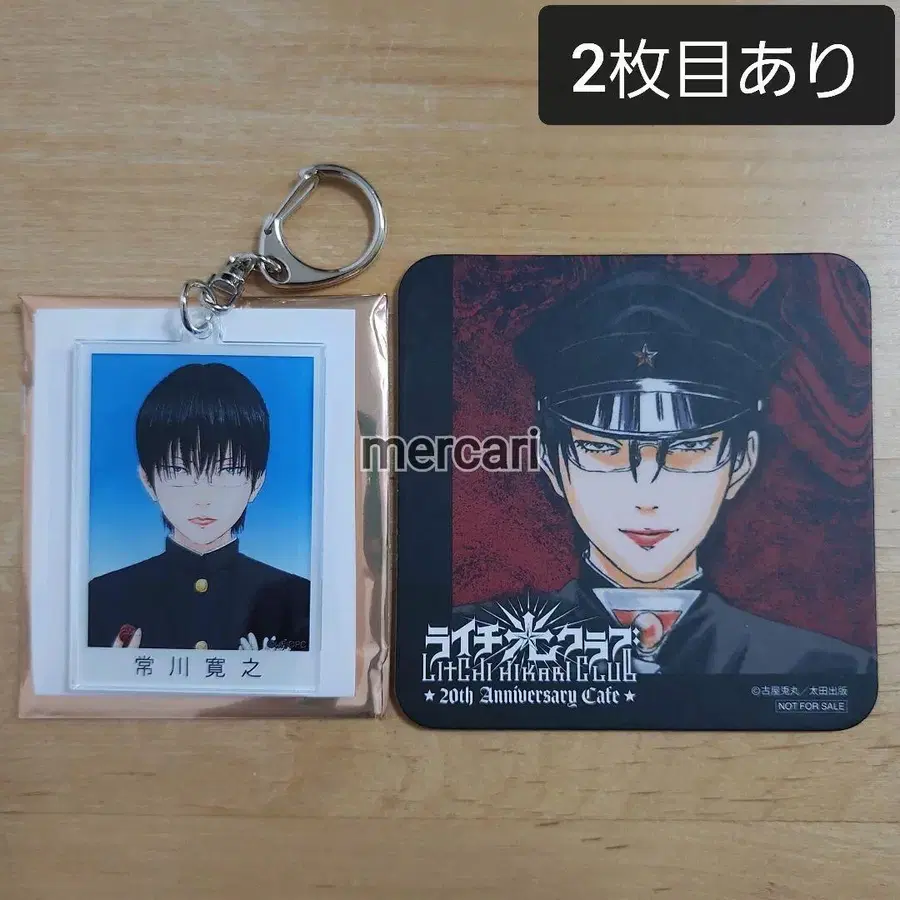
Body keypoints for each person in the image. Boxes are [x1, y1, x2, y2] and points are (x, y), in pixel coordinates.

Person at [454, 269, 874, 676]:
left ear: (742, 460)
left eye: (688, 448)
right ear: (549, 459)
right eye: (602, 449)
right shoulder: (469, 652)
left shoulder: (825, 670)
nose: (646, 497)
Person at [88, 362, 310, 651]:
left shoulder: (298, 599)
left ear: (257, 482)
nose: (203, 498)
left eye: (227, 470)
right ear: (147, 480)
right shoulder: (102, 597)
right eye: (179, 471)